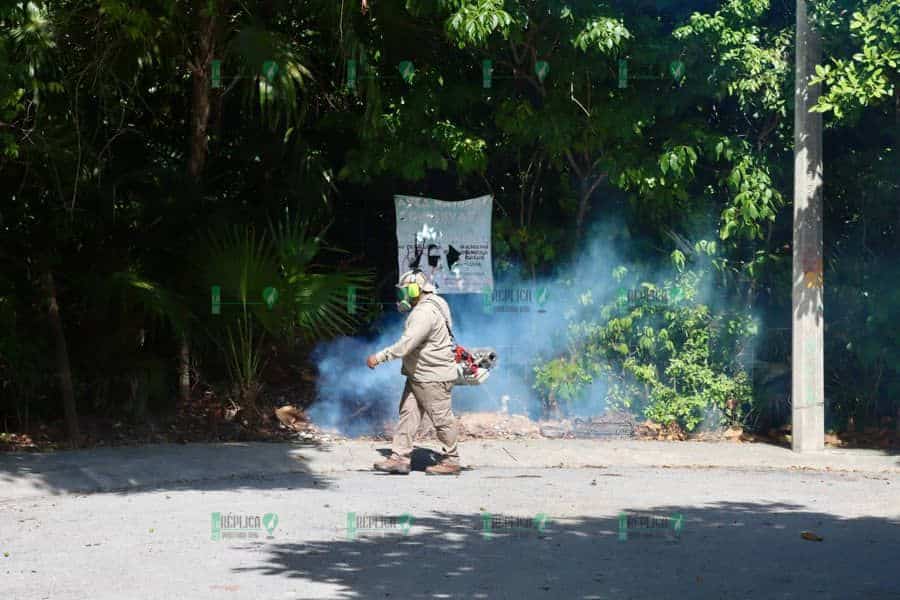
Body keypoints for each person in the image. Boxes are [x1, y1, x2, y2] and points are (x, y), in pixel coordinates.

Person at [366, 269, 461, 475]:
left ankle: (452, 460)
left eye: (405, 291)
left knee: (441, 419)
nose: (403, 297)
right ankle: (399, 458)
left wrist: (379, 357)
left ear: (414, 289)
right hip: (419, 375)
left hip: (432, 377)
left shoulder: (423, 313)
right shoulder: (437, 302)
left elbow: (405, 345)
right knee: (408, 415)